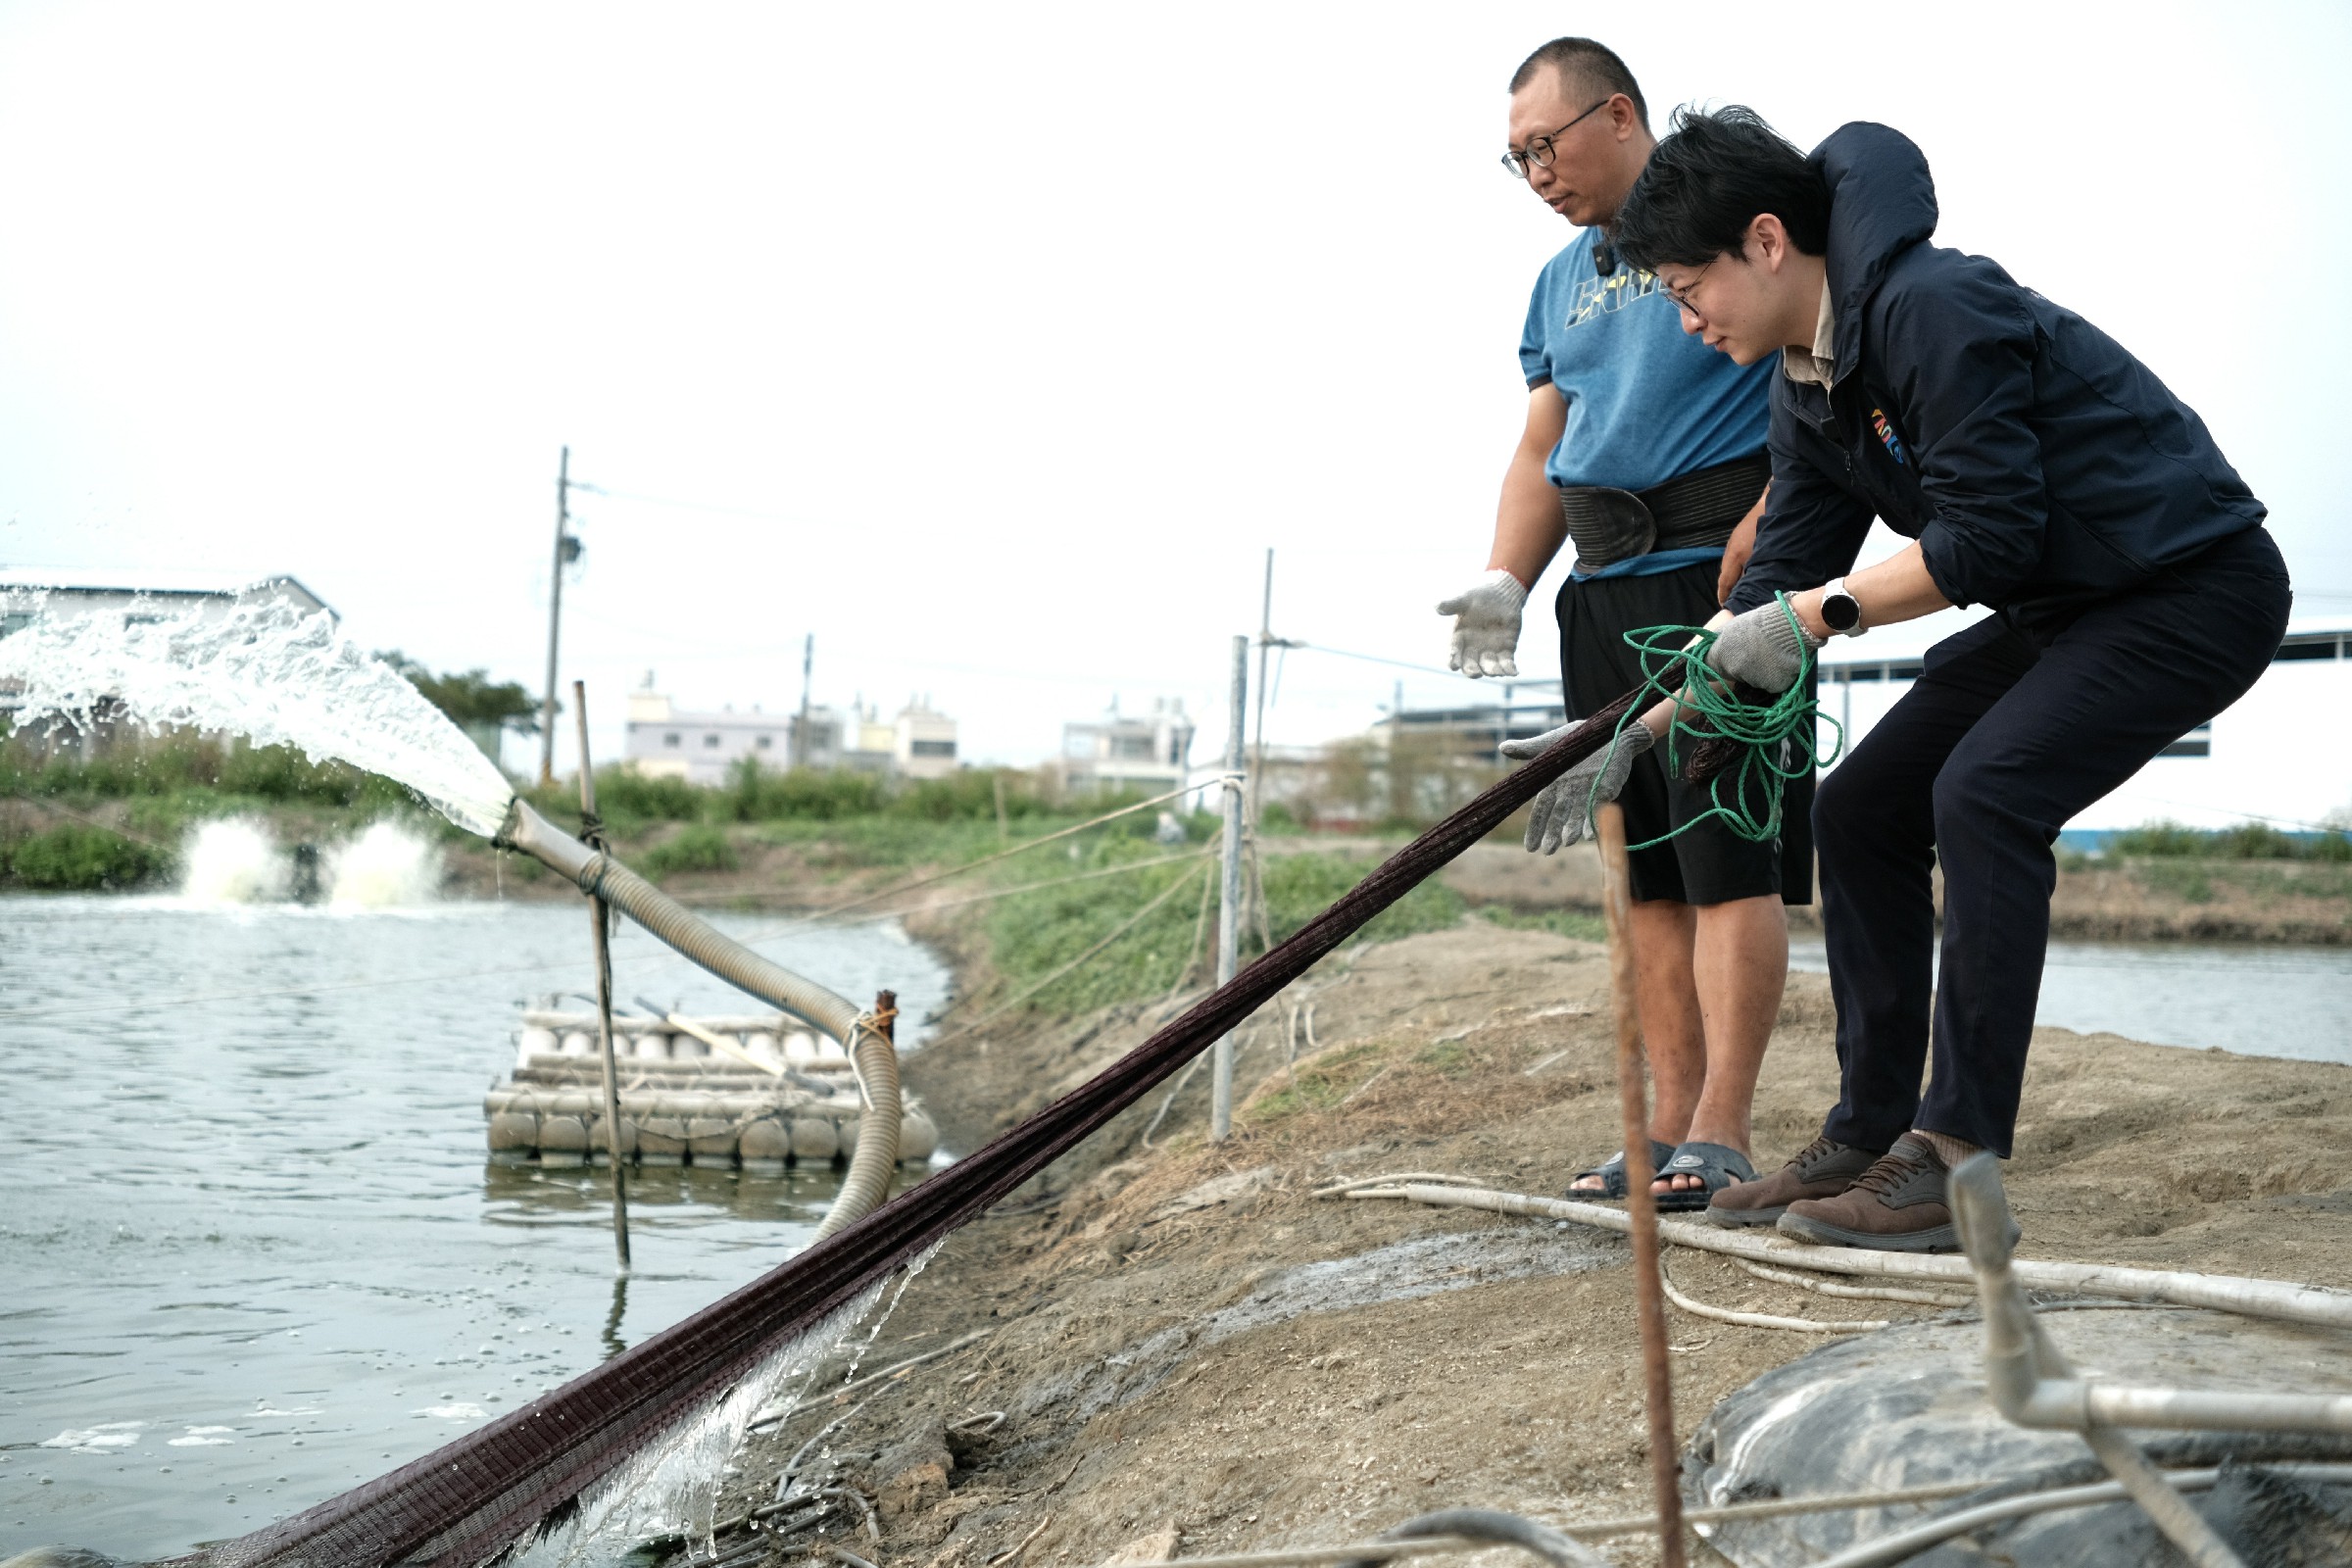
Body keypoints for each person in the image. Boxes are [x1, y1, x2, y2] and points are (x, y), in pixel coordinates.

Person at [1597, 107, 2290, 1250]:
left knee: (1985, 790)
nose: (1687, 320)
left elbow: (1988, 539)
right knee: (1862, 808)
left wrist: (1815, 617)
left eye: (1687, 289)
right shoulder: (1803, 383)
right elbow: (1779, 573)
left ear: (1765, 241)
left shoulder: (1933, 306)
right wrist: (1643, 720)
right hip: (2065, 606)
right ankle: (1870, 1134)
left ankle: (1957, 1158)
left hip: (2189, 584)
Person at [1437, 38, 1809, 1211]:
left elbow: (1813, 366)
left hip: (1719, 583)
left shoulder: (1722, 219)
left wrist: (1781, 518)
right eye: (1516, 158)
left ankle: (1723, 1130)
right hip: (1600, 592)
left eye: (1545, 145)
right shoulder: (1558, 282)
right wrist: (1506, 579)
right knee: (1644, 875)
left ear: (1618, 116)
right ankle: (1661, 1123)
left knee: (1725, 857)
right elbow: (1543, 447)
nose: (1536, 172)